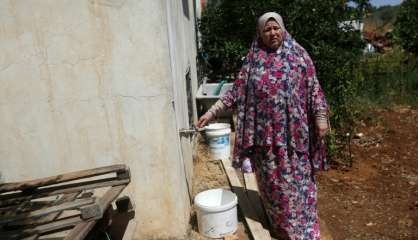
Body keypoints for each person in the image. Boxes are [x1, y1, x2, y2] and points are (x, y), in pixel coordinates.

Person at [196, 12, 329, 240]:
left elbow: (314, 87)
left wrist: (320, 116)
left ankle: (303, 229)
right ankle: (281, 229)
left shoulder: (299, 56)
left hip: (295, 138)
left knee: (298, 186)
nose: (272, 33)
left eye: (275, 28)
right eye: (267, 30)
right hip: (265, 140)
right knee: (272, 188)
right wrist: (210, 112)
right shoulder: (253, 61)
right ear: (260, 33)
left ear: (283, 29)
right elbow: (235, 93)